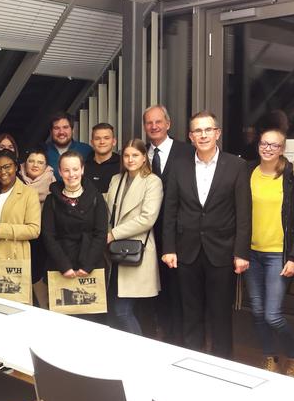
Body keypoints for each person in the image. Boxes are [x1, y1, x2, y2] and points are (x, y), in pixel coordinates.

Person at [161, 111, 251, 359]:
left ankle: (222, 364)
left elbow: (244, 214)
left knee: (220, 314)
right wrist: (168, 247)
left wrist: (241, 252)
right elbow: (170, 209)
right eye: (197, 131)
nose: (203, 135)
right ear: (190, 137)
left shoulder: (236, 166)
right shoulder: (179, 167)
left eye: (208, 130)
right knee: (190, 312)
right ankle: (193, 361)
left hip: (222, 252)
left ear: (217, 133)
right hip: (186, 251)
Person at [246, 126, 294, 378]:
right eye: (264, 143)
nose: (268, 148)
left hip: (278, 256)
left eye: (274, 145)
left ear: (282, 149)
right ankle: (269, 357)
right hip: (250, 253)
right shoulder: (247, 171)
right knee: (258, 312)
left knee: (272, 315)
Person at [144, 105, 194, 345]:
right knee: (155, 286)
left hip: (179, 233)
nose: (154, 127)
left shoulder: (187, 152)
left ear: (168, 123)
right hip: (147, 233)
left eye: (158, 122)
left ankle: (180, 338)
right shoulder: (139, 154)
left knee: (179, 288)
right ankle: (159, 334)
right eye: (149, 123)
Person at [104, 139, 163, 335]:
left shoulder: (152, 182)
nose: (130, 160)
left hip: (135, 249)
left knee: (123, 311)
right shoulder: (116, 179)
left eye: (135, 155)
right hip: (114, 253)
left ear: (144, 157)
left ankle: (140, 355)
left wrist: (113, 233)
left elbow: (147, 218)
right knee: (114, 311)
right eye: (127, 155)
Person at [42, 151, 108, 321]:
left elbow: (101, 234)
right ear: (59, 171)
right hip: (60, 265)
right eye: (66, 170)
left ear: (82, 170)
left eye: (75, 169)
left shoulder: (96, 197)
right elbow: (48, 235)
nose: (71, 175)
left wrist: (87, 266)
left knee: (93, 322)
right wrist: (64, 266)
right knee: (62, 322)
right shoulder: (52, 200)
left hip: (90, 265)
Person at [0, 150, 41, 290]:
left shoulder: (29, 193)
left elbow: (34, 229)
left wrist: (0, 230)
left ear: (16, 167)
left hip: (14, 257)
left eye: (7, 167)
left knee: (14, 304)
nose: (3, 172)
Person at [19, 147, 56, 308]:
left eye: (40, 162)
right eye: (31, 161)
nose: (35, 165)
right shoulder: (14, 181)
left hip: (43, 240)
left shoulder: (54, 185)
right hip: (19, 238)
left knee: (39, 278)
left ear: (46, 166)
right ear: (24, 164)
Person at [45, 112, 93, 181]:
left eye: (65, 127)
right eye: (56, 128)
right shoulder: (43, 151)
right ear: (51, 131)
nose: (61, 132)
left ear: (72, 130)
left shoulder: (86, 150)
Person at [85, 123, 120, 194]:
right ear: (92, 142)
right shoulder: (83, 165)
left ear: (114, 142)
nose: (102, 142)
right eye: (97, 138)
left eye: (106, 138)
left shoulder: (122, 164)